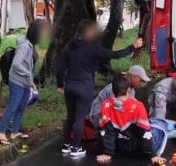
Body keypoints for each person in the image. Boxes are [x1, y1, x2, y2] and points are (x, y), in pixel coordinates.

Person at [57, 19, 143, 157]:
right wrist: (133, 46)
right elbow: (114, 55)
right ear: (89, 32)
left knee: (70, 118)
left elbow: (61, 67)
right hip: (84, 87)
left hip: (70, 86)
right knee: (79, 118)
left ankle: (66, 145)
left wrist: (60, 84)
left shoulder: (70, 46)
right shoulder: (93, 47)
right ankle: (76, 148)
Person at [95, 75, 167, 166]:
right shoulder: (138, 105)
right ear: (128, 90)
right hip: (137, 147)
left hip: (119, 146)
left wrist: (107, 153)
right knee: (159, 126)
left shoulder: (105, 104)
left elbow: (106, 130)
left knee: (103, 129)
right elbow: (145, 133)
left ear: (112, 91)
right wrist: (153, 155)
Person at [0, 21, 48, 145]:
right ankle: (1, 133)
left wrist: (29, 79)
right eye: (42, 31)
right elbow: (16, 64)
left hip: (25, 82)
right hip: (17, 81)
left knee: (22, 107)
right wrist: (28, 74)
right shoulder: (24, 45)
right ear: (36, 32)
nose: (44, 34)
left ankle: (14, 132)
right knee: (13, 106)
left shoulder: (30, 44)